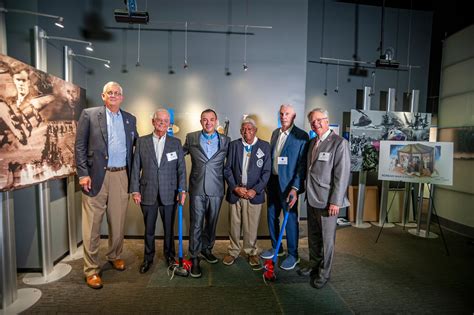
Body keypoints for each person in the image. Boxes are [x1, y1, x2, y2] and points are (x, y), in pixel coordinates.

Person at [75, 81, 138, 289]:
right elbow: (80, 146)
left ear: (122, 97)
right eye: (109, 92)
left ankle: (114, 255)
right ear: (103, 96)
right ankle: (91, 269)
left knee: (118, 222)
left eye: (117, 93)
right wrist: (83, 174)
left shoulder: (130, 119)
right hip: (95, 177)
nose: (113, 95)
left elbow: (136, 147)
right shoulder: (90, 115)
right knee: (92, 225)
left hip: (121, 176)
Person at [298, 108, 350, 289]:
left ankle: (324, 273)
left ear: (327, 121)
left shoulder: (339, 143)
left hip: (328, 201)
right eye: (312, 122)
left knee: (327, 240)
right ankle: (314, 265)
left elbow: (341, 175)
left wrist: (336, 201)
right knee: (313, 237)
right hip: (312, 198)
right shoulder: (313, 142)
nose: (316, 124)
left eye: (319, 120)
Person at [130, 108, 186, 274]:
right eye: (159, 120)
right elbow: (135, 168)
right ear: (153, 122)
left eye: (165, 121)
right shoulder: (142, 141)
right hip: (147, 192)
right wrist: (135, 190)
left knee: (169, 229)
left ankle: (170, 256)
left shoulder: (175, 143)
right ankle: (148, 258)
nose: (162, 123)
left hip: (170, 193)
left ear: (169, 124)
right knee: (149, 230)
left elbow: (181, 169)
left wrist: (182, 190)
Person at [260, 104, 308, 270]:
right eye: (281, 113)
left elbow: (302, 164)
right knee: (271, 216)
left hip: (288, 186)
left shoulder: (301, 136)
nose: (283, 116)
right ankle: (277, 248)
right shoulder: (275, 133)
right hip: (272, 182)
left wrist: (295, 187)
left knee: (290, 220)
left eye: (287, 114)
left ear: (293, 116)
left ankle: (293, 255)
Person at [183, 108, 230, 278]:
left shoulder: (226, 140)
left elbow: (231, 165)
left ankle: (207, 248)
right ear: (200, 121)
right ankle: (194, 256)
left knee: (212, 223)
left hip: (216, 189)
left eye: (211, 119)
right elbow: (180, 158)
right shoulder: (191, 137)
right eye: (205, 119)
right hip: (196, 188)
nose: (208, 122)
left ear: (216, 121)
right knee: (196, 224)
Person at [223, 118, 271, 267]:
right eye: (244, 129)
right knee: (234, 225)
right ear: (240, 131)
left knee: (251, 226)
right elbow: (227, 169)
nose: (246, 132)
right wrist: (235, 187)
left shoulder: (264, 146)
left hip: (253, 194)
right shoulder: (234, 145)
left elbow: (266, 172)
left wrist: (254, 190)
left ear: (255, 130)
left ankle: (251, 252)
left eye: (250, 129)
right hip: (236, 192)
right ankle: (233, 251)